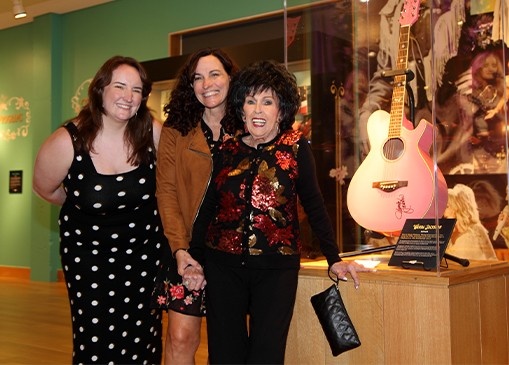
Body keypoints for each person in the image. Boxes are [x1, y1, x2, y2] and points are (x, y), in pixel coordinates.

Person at [195, 60, 373, 364]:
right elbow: (210, 206)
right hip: (222, 266)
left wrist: (334, 258)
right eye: (251, 101)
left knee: (267, 354)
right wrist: (194, 259)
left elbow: (315, 205)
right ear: (241, 108)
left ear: (281, 110)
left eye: (267, 102)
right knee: (225, 354)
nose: (258, 110)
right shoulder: (227, 150)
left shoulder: (296, 148)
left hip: (276, 269)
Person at [32, 55, 169, 364]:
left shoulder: (153, 133)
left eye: (137, 89)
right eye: (119, 86)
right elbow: (46, 189)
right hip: (89, 258)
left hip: (145, 257)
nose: (128, 96)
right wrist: (90, 206)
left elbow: (176, 182)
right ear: (100, 90)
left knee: (143, 338)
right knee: (96, 340)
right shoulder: (68, 141)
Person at [151, 48, 239, 365]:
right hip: (187, 249)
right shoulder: (176, 129)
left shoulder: (250, 124)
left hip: (234, 253)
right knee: (180, 337)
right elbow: (167, 190)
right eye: (198, 78)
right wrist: (179, 249)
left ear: (231, 77)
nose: (207, 84)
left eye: (214, 74)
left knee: (229, 342)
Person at [444, 184, 498, 261]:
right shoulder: (445, 231)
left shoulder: (476, 229)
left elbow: (492, 258)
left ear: (457, 207)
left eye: (447, 207)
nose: (444, 212)